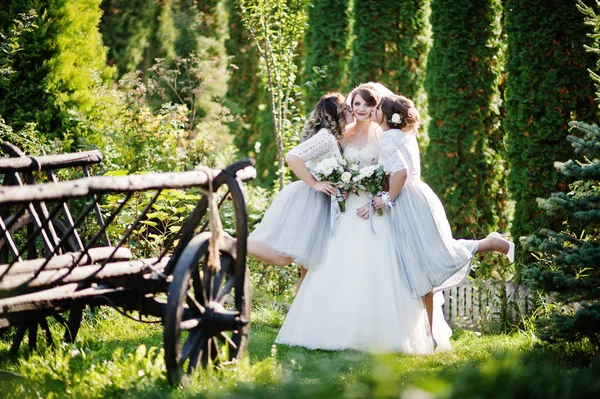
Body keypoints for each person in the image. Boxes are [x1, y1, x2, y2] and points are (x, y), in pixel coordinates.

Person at [275, 84, 445, 354]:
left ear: (375, 107)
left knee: (379, 269)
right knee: (337, 266)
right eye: (356, 104)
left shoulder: (385, 136)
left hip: (374, 210)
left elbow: (395, 173)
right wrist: (327, 183)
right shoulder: (341, 136)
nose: (361, 109)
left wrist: (380, 198)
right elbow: (323, 162)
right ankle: (331, 330)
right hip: (346, 210)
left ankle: (384, 335)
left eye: (367, 104)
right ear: (350, 108)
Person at [371, 94, 515, 337]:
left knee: (420, 266)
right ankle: (428, 336)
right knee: (425, 266)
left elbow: (401, 173)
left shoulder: (386, 138)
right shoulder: (405, 135)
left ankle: (490, 243)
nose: (373, 110)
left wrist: (385, 199)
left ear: (388, 115)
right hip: (421, 197)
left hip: (404, 202)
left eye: (377, 108)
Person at [247, 92, 351, 291]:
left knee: (309, 266)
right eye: (346, 108)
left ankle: (300, 313)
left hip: (322, 202)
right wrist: (316, 184)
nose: (351, 112)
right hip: (309, 200)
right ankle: (229, 243)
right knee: (283, 257)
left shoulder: (334, 138)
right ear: (337, 113)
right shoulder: (326, 138)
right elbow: (292, 156)